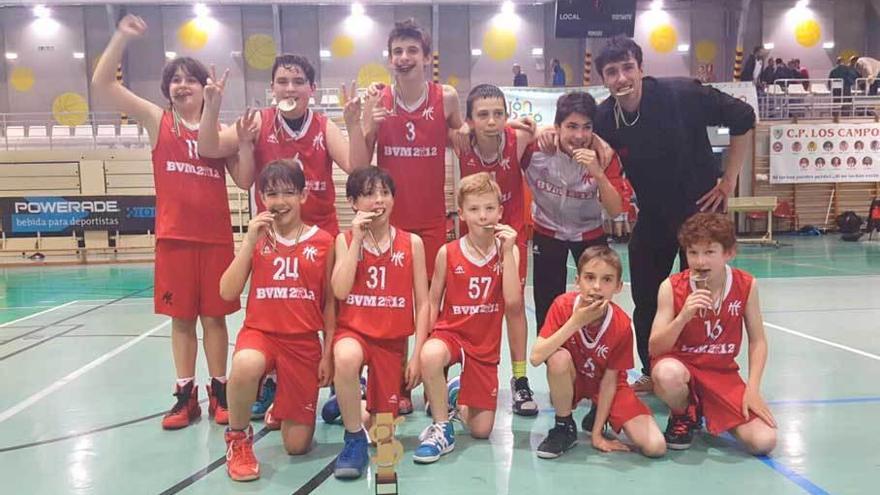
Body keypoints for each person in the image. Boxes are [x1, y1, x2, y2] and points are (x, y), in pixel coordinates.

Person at [92, 14, 240, 430]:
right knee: (181, 321)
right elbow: (104, 85)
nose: (182, 84)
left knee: (215, 318)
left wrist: (244, 141)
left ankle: (220, 390)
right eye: (174, 79)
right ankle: (184, 394)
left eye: (189, 78)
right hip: (175, 238)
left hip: (215, 241)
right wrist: (121, 37)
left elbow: (244, 178)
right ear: (167, 90)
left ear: (203, 86)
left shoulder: (220, 130)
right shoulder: (159, 121)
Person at [586, 37, 755, 394]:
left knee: (699, 296)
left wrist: (729, 180)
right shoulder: (604, 117)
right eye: (612, 72)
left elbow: (745, 118)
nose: (621, 78)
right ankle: (655, 370)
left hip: (700, 213)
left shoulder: (683, 95)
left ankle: (700, 372)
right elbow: (571, 130)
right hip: (654, 216)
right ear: (603, 79)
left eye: (627, 68)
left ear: (641, 68)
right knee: (647, 296)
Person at [351, 19, 467, 415]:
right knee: (393, 307)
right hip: (390, 224)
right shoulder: (378, 99)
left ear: (426, 57)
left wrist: (508, 130)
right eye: (397, 51)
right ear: (389, 57)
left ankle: (438, 379)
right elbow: (359, 163)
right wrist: (365, 125)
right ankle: (394, 383)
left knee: (435, 306)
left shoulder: (446, 97)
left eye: (411, 51)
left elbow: (462, 135)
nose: (403, 58)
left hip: (434, 220)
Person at [218, 162, 335, 481]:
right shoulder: (258, 238)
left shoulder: (324, 241)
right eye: (272, 193)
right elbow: (227, 291)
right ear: (261, 197)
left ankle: (282, 404)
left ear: (304, 195)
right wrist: (247, 243)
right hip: (262, 333)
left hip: (303, 342)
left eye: (288, 192)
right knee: (244, 364)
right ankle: (238, 439)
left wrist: (328, 353)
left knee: (297, 446)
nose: (280, 201)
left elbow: (330, 305)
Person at [413, 172, 522, 464]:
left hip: (484, 345)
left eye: (489, 208)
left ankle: (454, 395)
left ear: (500, 211)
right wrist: (418, 353)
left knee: (480, 430)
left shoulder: (508, 251)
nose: (483, 216)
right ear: (461, 213)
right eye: (474, 209)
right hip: (451, 335)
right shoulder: (447, 253)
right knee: (431, 354)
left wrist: (509, 251)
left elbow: (512, 302)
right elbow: (432, 302)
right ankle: (441, 427)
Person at [330, 167, 430, 479]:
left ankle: (347, 405)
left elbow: (424, 302)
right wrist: (357, 238)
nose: (378, 200)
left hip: (391, 342)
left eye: (385, 193)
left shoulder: (411, 243)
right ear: (352, 202)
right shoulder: (345, 240)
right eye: (369, 194)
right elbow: (340, 290)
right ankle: (352, 437)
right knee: (345, 358)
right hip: (355, 332)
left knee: (384, 439)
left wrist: (416, 355)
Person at [649, 213, 777, 454]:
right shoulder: (671, 287)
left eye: (709, 252)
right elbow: (655, 348)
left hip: (721, 374)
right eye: (693, 252)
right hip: (682, 368)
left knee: (764, 441)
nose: (699, 261)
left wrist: (753, 389)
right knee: (667, 374)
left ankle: (706, 409)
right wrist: (684, 316)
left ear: (729, 253)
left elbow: (758, 341)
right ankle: (683, 413)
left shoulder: (746, 285)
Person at [197, 54, 364, 235]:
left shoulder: (325, 126)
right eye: (282, 82)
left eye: (298, 82)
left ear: (312, 89)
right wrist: (211, 107)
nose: (290, 89)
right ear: (272, 88)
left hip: (320, 234)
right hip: (271, 234)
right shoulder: (258, 121)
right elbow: (208, 148)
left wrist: (354, 125)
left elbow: (356, 168)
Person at [530, 246, 666, 459]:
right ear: (577, 280)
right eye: (590, 277)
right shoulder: (562, 306)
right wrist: (574, 323)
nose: (596, 287)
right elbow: (537, 357)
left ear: (619, 286)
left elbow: (610, 381)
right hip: (573, 379)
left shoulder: (621, 325)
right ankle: (564, 427)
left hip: (607, 386)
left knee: (655, 446)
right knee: (557, 358)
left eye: (607, 280)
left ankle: (597, 417)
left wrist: (596, 436)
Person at [454, 83, 537, 415]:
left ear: (507, 116)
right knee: (466, 311)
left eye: (498, 114)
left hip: (508, 237)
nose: (491, 121)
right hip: (470, 241)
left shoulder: (521, 138)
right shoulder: (459, 141)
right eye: (483, 115)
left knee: (514, 309)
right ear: (471, 120)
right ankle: (459, 378)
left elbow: (554, 132)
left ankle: (519, 380)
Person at [526, 91, 627, 332]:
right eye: (571, 126)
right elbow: (500, 133)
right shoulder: (535, 150)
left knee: (597, 304)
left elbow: (615, 211)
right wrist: (537, 131)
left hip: (589, 234)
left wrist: (598, 174)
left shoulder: (604, 156)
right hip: (547, 231)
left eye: (586, 127)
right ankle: (555, 363)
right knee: (547, 309)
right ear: (557, 126)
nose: (579, 136)